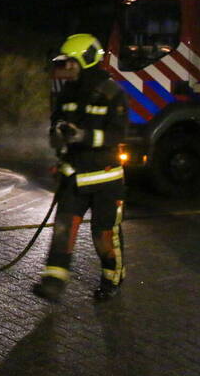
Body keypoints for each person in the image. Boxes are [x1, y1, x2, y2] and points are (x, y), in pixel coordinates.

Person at [34, 34, 129, 302]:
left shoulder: (112, 93)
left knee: (104, 236)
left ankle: (111, 277)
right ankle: (53, 282)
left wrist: (83, 136)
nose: (67, 68)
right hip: (74, 177)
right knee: (63, 230)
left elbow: (117, 134)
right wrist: (57, 133)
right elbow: (56, 123)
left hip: (105, 180)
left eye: (71, 62)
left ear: (86, 61)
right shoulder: (66, 93)